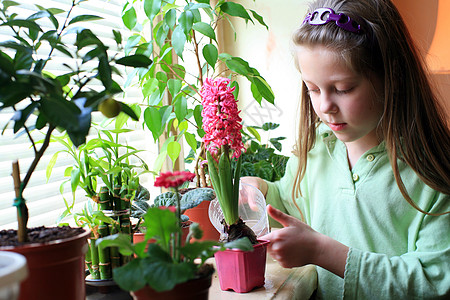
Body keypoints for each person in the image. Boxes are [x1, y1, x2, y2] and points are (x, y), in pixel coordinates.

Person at [241, 0, 450, 298]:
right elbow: (290, 209)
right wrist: (261, 194)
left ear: (392, 78)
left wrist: (325, 252)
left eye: (343, 89)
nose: (325, 106)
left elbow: (434, 281)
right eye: (312, 89)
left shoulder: (432, 174)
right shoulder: (315, 151)